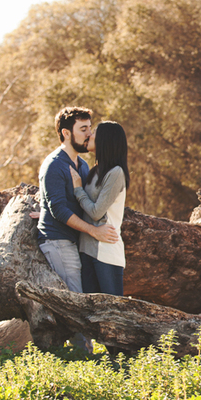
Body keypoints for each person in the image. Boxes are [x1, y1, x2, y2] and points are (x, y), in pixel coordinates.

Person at [36, 106, 119, 351]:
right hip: (58, 240)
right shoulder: (54, 164)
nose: (88, 134)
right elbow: (59, 210)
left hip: (76, 241)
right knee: (76, 299)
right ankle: (83, 358)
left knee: (84, 296)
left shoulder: (81, 165)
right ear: (66, 133)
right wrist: (94, 231)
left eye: (89, 129)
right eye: (83, 129)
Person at [69, 121, 129, 296]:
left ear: (105, 139)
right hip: (86, 248)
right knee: (90, 313)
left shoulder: (116, 173)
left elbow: (96, 212)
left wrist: (78, 189)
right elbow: (81, 208)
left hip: (106, 251)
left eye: (94, 131)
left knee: (113, 312)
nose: (89, 135)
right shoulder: (94, 171)